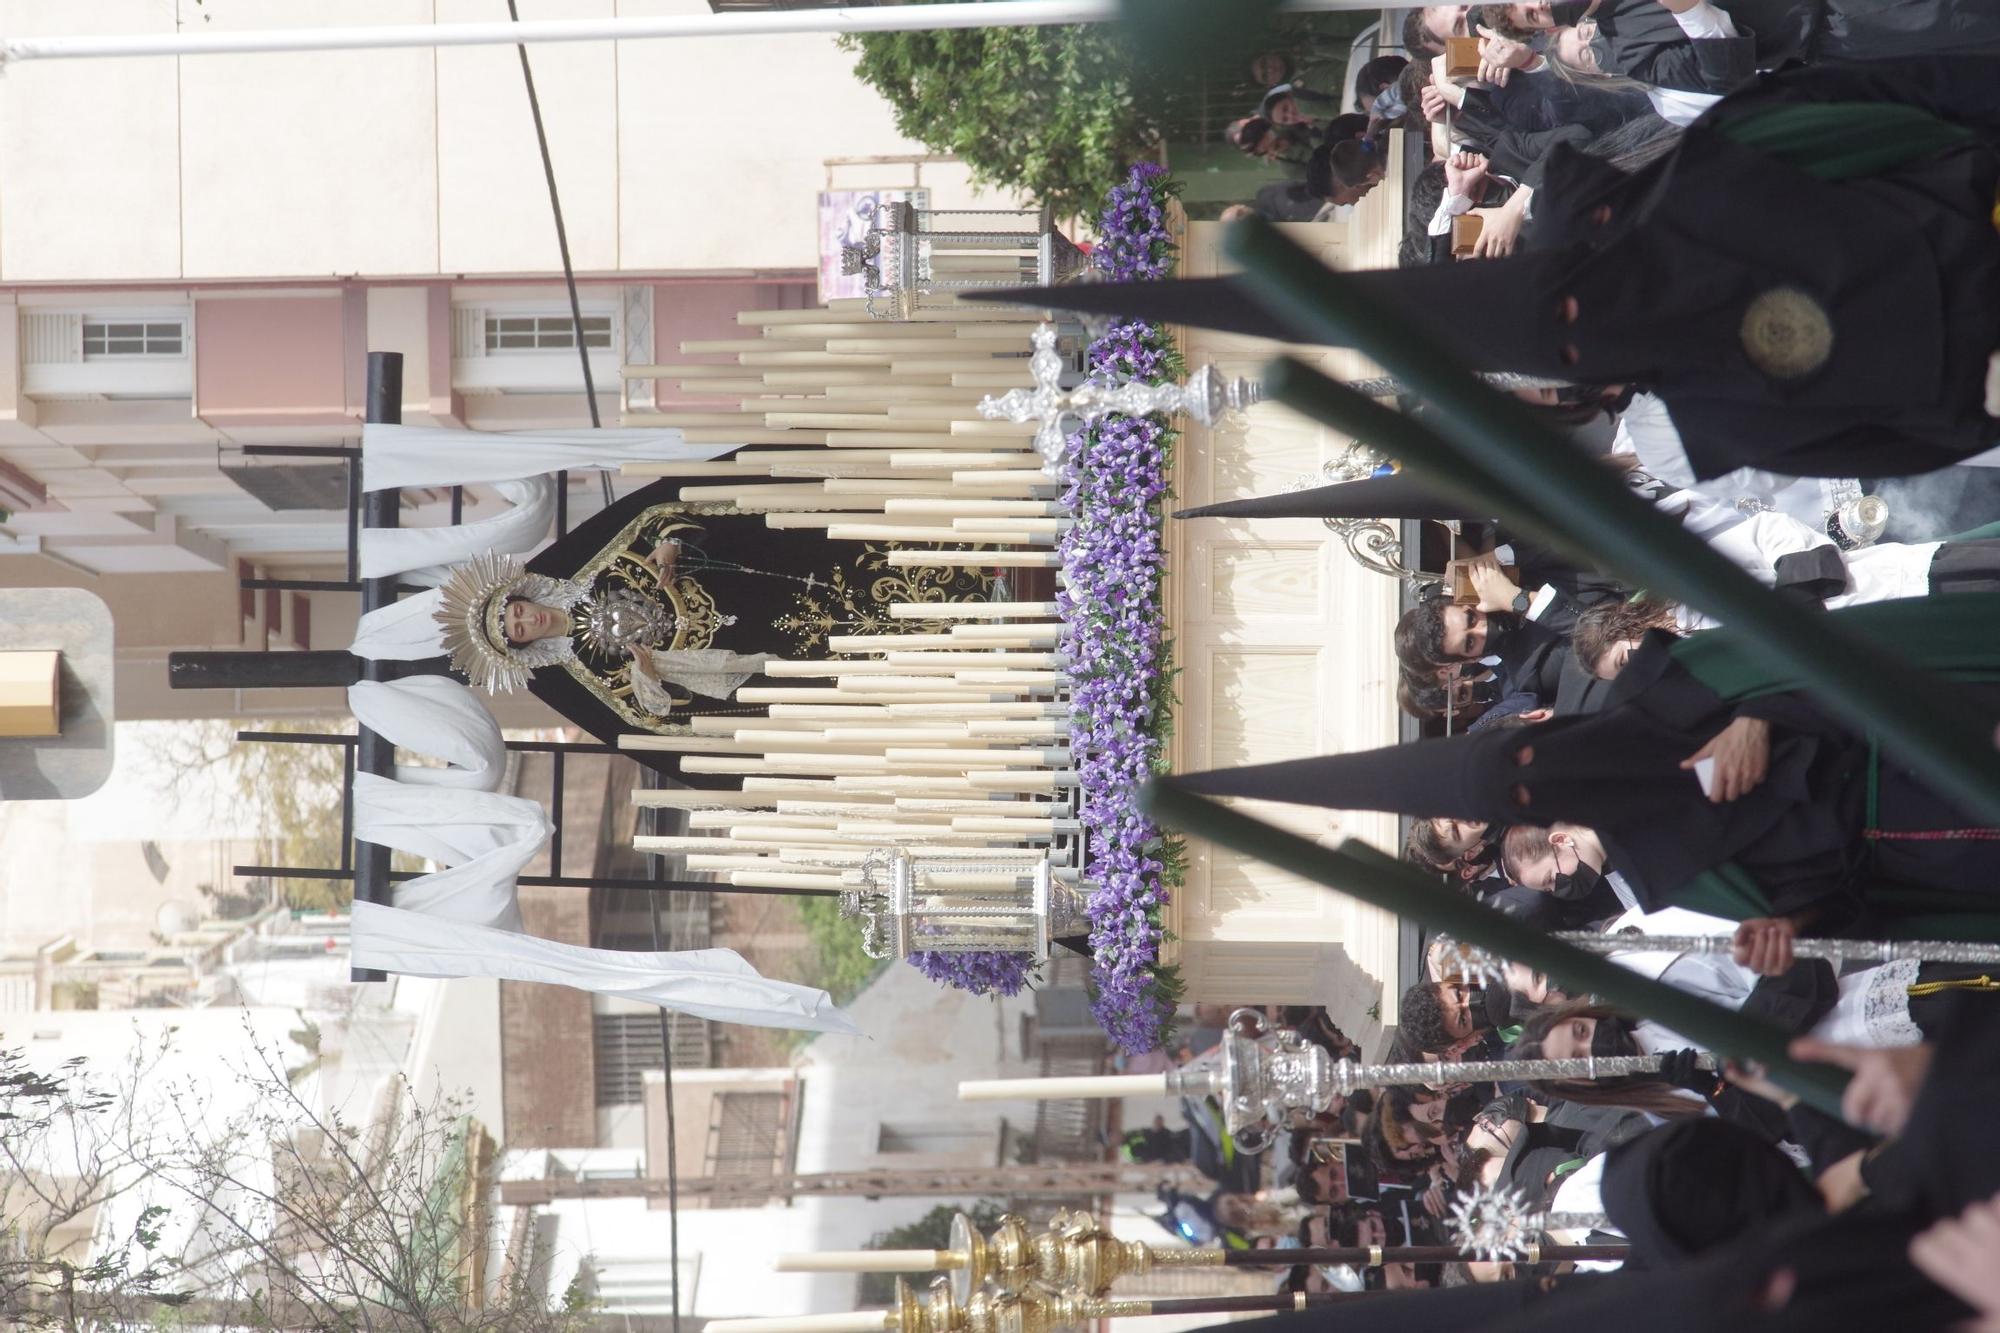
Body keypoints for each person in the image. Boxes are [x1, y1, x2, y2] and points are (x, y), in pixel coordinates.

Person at [431, 479, 996, 743]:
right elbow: (651, 718)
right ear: (521, 649)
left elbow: (656, 513)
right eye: (515, 634)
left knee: (852, 570)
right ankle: (969, 653)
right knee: (846, 655)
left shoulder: (583, 566)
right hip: (746, 650)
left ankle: (976, 567)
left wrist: (671, 544)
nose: (525, 622)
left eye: (516, 613)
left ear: (521, 596)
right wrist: (647, 675)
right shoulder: (583, 671)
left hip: (754, 577)